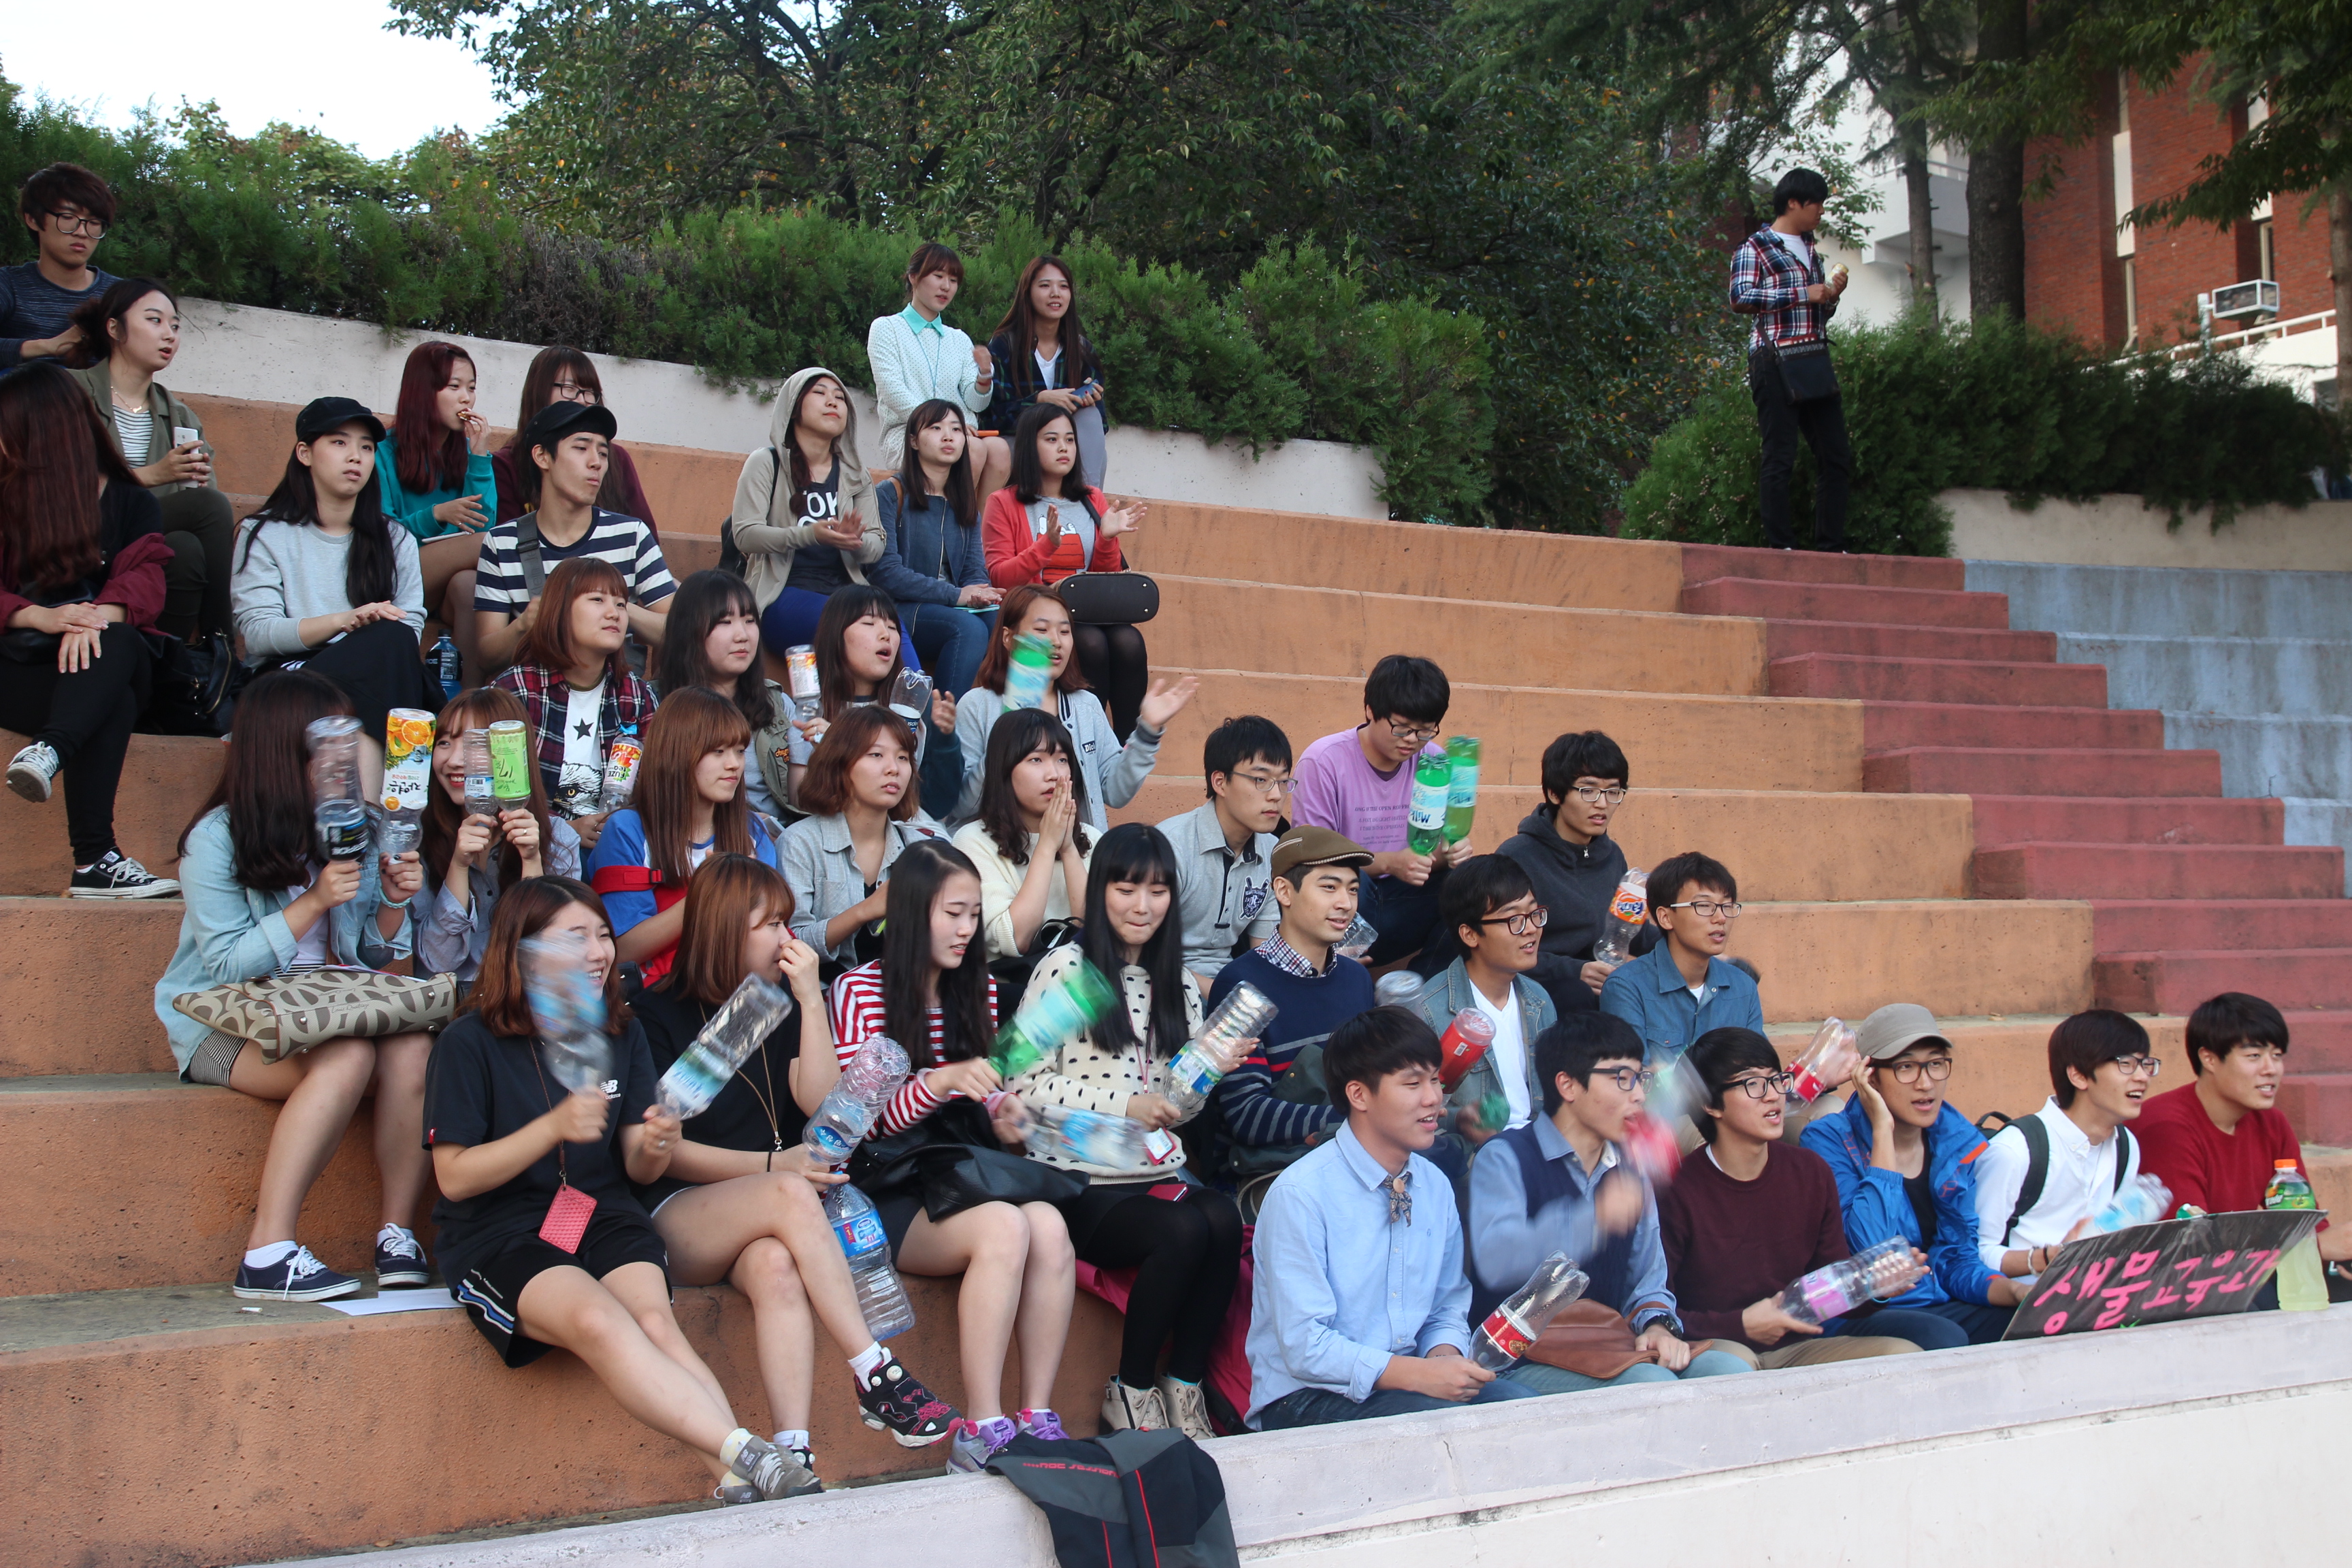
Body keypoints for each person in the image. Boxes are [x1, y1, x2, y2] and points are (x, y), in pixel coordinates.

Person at [423, 876, 817, 1503]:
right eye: (575, 937)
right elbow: (456, 1176)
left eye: (604, 934)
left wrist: (657, 1142)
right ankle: (748, 1456)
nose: (598, 951)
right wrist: (552, 1126)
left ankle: (736, 1479)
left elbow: (638, 1166)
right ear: (525, 951)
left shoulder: (619, 1032)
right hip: (501, 1232)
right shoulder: (466, 1043)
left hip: (602, 1211)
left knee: (656, 1321)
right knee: (599, 1320)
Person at [634, 853, 958, 1488]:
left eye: (787, 922)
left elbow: (818, 1101)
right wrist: (771, 1166)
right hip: (680, 1210)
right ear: (725, 928)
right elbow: (663, 1151)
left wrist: (810, 999)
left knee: (776, 1268)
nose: (787, 937)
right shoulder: (659, 1013)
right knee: (787, 1192)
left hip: (766, 1217)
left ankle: (794, 1453)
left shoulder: (771, 1003)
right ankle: (874, 1371)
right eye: (771, 924)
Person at [154, 670, 433, 1300]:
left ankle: (396, 1234)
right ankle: (267, 1250)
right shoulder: (216, 838)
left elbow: (369, 954)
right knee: (348, 1055)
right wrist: (312, 902)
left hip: (327, 1009)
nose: (346, 757)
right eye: (329, 743)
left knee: (416, 1044)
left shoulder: (352, 827)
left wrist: (393, 901)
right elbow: (226, 965)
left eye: (349, 741)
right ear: (284, 751)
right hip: (223, 1027)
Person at [828, 838, 1076, 1473]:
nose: (967, 929)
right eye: (953, 914)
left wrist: (1003, 1109)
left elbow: (980, 1093)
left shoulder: (981, 989)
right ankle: (981, 1428)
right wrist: (939, 1081)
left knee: (1049, 1225)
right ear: (913, 914)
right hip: (884, 1185)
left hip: (955, 1171)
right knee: (1006, 1227)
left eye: (974, 914)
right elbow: (861, 1123)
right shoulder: (858, 990)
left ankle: (1037, 1415)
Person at [1004, 824, 1247, 1441]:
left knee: (1222, 1219)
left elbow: (1174, 1111)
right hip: (1076, 1176)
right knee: (1183, 1227)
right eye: (1126, 889)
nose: (1143, 906)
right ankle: (1131, 1391)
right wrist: (1125, 1105)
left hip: (1152, 1169)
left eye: (1158, 891)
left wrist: (1205, 1074)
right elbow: (1020, 1084)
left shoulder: (1178, 983)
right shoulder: (1070, 971)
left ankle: (1185, 1385)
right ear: (1099, 892)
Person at [1245, 1007, 1541, 1430]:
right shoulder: (1301, 1194)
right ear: (1359, 1095)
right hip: (1307, 1396)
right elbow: (1305, 1347)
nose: (1434, 1098)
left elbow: (1446, 1304)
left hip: (1408, 1382)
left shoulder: (1434, 1185)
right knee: (1457, 1426)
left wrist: (1444, 1360)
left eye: (1436, 1080)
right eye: (1413, 1084)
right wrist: (1419, 1376)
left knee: (1526, 1411)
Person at [1469, 1013, 1753, 1394]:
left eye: (1640, 1078)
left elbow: (1647, 1280)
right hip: (1518, 1357)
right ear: (1568, 1085)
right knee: (1650, 1383)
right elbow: (1497, 1263)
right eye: (1622, 1078)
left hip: (1606, 1345)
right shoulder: (1504, 1156)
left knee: (1729, 1371)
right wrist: (1596, 1217)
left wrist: (1657, 1325)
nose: (1638, 1095)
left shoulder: (1630, 1164)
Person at [0, 363, 177, 896]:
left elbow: (146, 582)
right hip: (22, 668)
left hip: (101, 656)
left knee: (116, 642)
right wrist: (41, 616)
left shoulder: (129, 501)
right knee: (112, 702)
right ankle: (95, 862)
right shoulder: (6, 500)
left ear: (40, 433)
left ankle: (50, 750)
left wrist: (92, 619)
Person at [1659, 1026, 1933, 1367]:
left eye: (1776, 1080)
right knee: (1738, 1363)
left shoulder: (1810, 1172)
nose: (1773, 1096)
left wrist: (1872, 1286)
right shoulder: (1676, 1190)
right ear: (1710, 1104)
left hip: (1796, 1347)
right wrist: (1741, 1324)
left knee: (1905, 1357)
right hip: (1716, 1346)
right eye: (1753, 1084)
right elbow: (1659, 1313)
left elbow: (1832, 1282)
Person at [1799, 1003, 2021, 1347]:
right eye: (1906, 1067)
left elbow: (1956, 1259)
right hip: (1858, 1310)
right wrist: (1882, 1130)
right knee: (1944, 1337)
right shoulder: (1827, 1140)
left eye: (1936, 1064)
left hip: (1933, 1303)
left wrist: (2016, 1291)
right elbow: (1870, 1253)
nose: (1925, 1083)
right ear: (1869, 1076)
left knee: (2026, 1322)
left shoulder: (1956, 1143)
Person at [231, 397, 429, 754]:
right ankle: (397, 780)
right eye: (339, 442)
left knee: (395, 640)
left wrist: (366, 640)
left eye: (366, 447)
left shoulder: (395, 538)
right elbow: (259, 634)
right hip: (289, 677)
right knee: (390, 648)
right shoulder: (264, 532)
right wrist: (345, 622)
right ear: (305, 453)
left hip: (374, 669)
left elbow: (410, 625)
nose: (356, 457)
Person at [1207, 828, 1379, 1205]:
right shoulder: (1241, 985)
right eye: (1329, 888)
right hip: (1275, 1178)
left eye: (1352, 890)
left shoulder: (1356, 980)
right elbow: (1246, 1115)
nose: (1345, 903)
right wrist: (1357, 1121)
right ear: (1284, 892)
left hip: (1358, 1159)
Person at [61, 278, 236, 642]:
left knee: (186, 548)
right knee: (208, 506)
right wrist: (154, 475)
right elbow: (52, 483)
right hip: (78, 530)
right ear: (114, 328)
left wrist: (196, 480)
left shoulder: (181, 416)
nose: (169, 335)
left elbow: (202, 502)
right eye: (155, 320)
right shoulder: (69, 391)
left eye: (175, 326)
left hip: (144, 544)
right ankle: (223, 644)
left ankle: (174, 658)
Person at [2137, 992, 2350, 1269]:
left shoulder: (2271, 1123)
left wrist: (2335, 1254)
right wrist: (2315, 1247)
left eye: (2277, 1056)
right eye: (2254, 1056)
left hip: (2243, 1267)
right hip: (2176, 1276)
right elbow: (2191, 1245)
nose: (2271, 1069)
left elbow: (2303, 1222)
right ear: (2209, 1059)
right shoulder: (2166, 1127)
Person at [953, 584, 1191, 828]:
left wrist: (1147, 731)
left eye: (1065, 632)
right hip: (998, 845)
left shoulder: (1085, 706)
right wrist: (1006, 737)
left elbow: (1116, 792)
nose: (1056, 641)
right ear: (1008, 638)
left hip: (1072, 846)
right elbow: (961, 805)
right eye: (1042, 629)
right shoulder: (977, 706)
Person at [585, 687, 779, 987]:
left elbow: (774, 930)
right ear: (677, 752)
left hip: (743, 987)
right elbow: (622, 950)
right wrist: (708, 892)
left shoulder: (751, 830)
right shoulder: (627, 829)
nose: (734, 764)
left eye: (740, 751)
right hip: (658, 995)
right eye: (718, 751)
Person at [981, 405, 1150, 738]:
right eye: (1052, 439)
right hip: (1038, 613)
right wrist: (1045, 547)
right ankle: (1083, 737)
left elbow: (1105, 579)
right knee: (1090, 643)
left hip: (1088, 611)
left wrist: (1107, 539)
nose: (1064, 448)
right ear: (1029, 446)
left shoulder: (1092, 498)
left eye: (1070, 440)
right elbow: (1000, 577)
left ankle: (1125, 746)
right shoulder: (1003, 502)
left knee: (1129, 641)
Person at [472, 400, 673, 674]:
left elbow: (676, 632)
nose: (596, 463)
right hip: (538, 691)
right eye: (581, 448)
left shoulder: (631, 535)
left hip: (615, 691)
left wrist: (614, 607)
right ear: (542, 456)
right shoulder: (503, 542)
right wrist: (525, 624)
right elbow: (486, 655)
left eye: (603, 453)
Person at [1970, 1009, 2157, 1293]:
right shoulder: (2016, 1150)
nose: (2142, 1077)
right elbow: (1973, 1255)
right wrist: (2049, 1258)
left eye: (2146, 1064)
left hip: (2093, 1299)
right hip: (2018, 1305)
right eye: (2126, 1064)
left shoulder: (2126, 1145)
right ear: (2079, 1076)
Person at [1290, 654, 1457, 966]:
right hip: (1347, 900)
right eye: (1401, 728)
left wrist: (1449, 852)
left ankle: (1424, 983)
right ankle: (1336, 972)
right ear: (1370, 711)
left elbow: (1433, 847)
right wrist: (1390, 862)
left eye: (1425, 731)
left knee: (1472, 887)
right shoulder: (1324, 761)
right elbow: (1313, 863)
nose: (1412, 741)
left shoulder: (1433, 761)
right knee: (1346, 877)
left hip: (1405, 899)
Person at [1409, 854, 1558, 1184]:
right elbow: (1407, 1116)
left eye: (1534, 913)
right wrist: (1459, 1121)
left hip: (1541, 1150)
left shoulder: (1538, 1000)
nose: (1531, 929)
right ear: (1470, 934)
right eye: (1514, 919)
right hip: (1476, 1164)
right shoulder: (1429, 1011)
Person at [416, 685, 581, 984]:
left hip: (525, 1000)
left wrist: (531, 862)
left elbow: (553, 956)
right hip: (450, 1005)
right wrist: (459, 865)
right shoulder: (419, 838)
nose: (455, 760)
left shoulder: (558, 838)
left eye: (476, 745)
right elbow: (439, 961)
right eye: (444, 742)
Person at [489, 555, 658, 837]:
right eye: (597, 600)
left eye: (621, 604)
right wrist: (566, 831)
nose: (614, 613)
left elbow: (658, 787)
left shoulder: (637, 695)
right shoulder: (515, 690)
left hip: (614, 843)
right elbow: (496, 794)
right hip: (532, 844)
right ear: (560, 610)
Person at [1730, 167, 1852, 552]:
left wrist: (1831, 297)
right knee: (1780, 455)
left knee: (1836, 455)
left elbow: (1817, 313)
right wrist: (1804, 293)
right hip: (1773, 360)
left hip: (1812, 358)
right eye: (1817, 204)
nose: (1821, 211)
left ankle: (1830, 547)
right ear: (1794, 203)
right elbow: (1740, 298)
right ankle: (1781, 548)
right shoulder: (1755, 247)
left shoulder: (1811, 248)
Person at [777, 704, 947, 973]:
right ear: (840, 764)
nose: (893, 769)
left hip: (902, 988)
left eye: (903, 757)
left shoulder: (919, 848)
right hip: (821, 991)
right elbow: (790, 943)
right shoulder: (800, 842)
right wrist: (865, 911)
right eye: (877, 754)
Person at [732, 368, 886, 660]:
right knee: (851, 629)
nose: (832, 401)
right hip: (781, 594)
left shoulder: (855, 474)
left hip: (847, 594)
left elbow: (876, 545)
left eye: (840, 397)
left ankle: (913, 693)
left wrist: (855, 542)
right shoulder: (766, 462)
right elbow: (745, 534)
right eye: (820, 393)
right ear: (793, 408)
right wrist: (810, 535)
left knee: (892, 628)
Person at [1497, 730, 1649, 1015]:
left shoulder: (1612, 856)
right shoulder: (1517, 856)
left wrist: (1686, 946)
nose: (1602, 804)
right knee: (1576, 995)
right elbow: (1499, 946)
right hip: (1539, 986)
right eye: (1588, 791)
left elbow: (1632, 926)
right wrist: (1575, 970)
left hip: (1601, 982)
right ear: (1555, 794)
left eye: (1613, 792)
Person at [378, 342, 497, 687]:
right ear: (423, 391)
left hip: (445, 584)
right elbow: (382, 534)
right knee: (493, 544)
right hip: (394, 573)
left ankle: (467, 704)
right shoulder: (383, 452)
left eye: (471, 388)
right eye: (454, 387)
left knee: (470, 586)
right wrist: (436, 515)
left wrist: (479, 456)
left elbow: (483, 522)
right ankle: (542, 603)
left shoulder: (467, 452)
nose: (466, 399)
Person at [868, 398, 1002, 696]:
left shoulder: (965, 504)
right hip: (899, 607)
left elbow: (974, 571)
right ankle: (942, 720)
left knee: (1004, 624)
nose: (948, 436)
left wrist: (981, 594)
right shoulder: (890, 494)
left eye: (956, 429)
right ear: (914, 441)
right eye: (936, 428)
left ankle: (1010, 717)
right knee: (968, 629)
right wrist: (956, 595)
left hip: (949, 606)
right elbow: (886, 572)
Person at [789, 583, 961, 816]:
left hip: (903, 830)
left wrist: (945, 740)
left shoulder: (915, 708)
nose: (886, 635)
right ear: (836, 635)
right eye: (869, 624)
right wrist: (833, 751)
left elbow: (936, 806)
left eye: (892, 627)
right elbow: (801, 805)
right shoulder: (810, 708)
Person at [1155, 714, 1291, 989]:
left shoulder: (1271, 852)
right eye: (1261, 780)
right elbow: (1141, 953)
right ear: (1220, 782)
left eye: (1283, 781)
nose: (1276, 795)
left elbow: (1263, 954)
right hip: (1160, 982)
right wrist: (1222, 995)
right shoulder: (1171, 845)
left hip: (1227, 982)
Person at [952, 708, 1096, 962]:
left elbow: (1100, 935)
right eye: (1036, 760)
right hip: (1010, 983)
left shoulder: (1093, 838)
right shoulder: (972, 841)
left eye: (1062, 760)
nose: (1054, 775)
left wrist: (1069, 850)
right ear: (1005, 768)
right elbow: (1015, 939)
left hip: (1081, 981)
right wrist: (1047, 846)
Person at [1596, 850, 1763, 1063]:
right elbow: (1633, 1075)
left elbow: (1758, 1067)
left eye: (1727, 906)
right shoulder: (1627, 987)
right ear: (1665, 918)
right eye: (1704, 906)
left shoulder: (1743, 987)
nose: (1721, 918)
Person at [867, 243, 1007, 494]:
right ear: (913, 277)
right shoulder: (887, 328)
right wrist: (945, 425)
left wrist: (985, 375)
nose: (946, 287)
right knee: (973, 449)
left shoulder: (959, 339)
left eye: (953, 280)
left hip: (961, 435)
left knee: (1000, 450)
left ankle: (978, 520)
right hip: (909, 434)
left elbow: (976, 403)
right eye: (939, 276)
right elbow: (892, 391)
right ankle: (953, 518)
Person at [655, 569, 796, 818]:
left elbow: (802, 802)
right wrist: (746, 822)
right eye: (725, 622)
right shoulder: (653, 702)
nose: (742, 636)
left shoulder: (776, 703)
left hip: (775, 836)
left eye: (750, 620)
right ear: (689, 629)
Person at [490, 346, 660, 529]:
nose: (581, 401)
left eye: (590, 392)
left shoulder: (616, 458)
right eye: (569, 388)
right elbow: (505, 539)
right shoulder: (506, 464)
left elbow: (645, 533)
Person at [986, 255, 1108, 485]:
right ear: (1028, 293)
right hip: (1021, 446)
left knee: (1091, 416)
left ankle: (1088, 503)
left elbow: (1100, 424)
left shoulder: (1082, 349)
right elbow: (994, 417)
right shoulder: (1005, 344)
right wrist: (1040, 401)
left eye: (1063, 286)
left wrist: (1086, 401)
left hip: (1062, 449)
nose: (1056, 294)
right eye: (1045, 286)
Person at [2, 163, 118, 371]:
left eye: (94, 222)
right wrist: (49, 346)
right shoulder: (9, 285)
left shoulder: (119, 294)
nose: (82, 232)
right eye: (68, 217)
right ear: (33, 220)